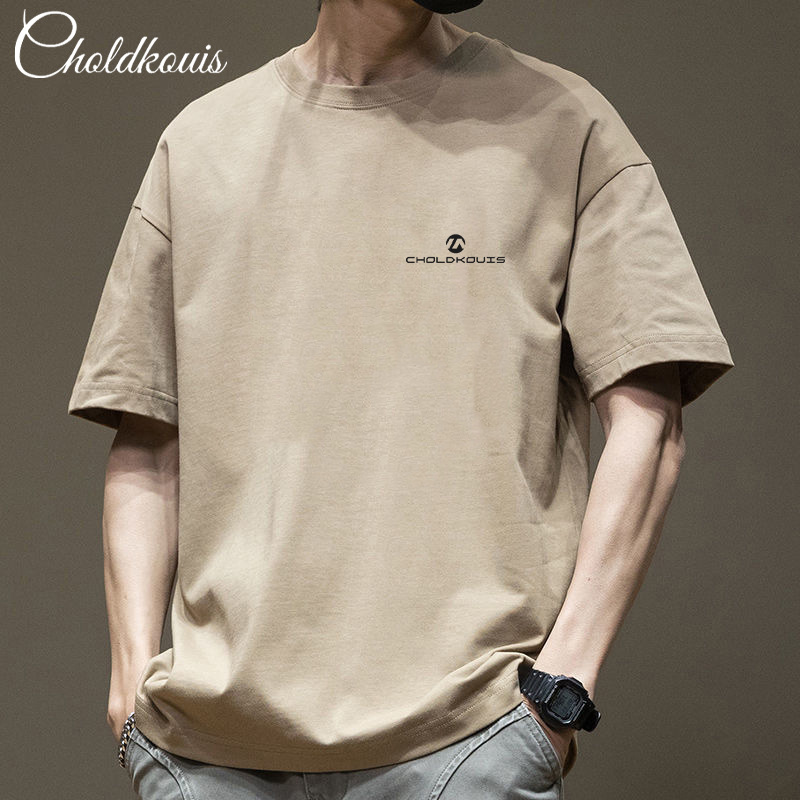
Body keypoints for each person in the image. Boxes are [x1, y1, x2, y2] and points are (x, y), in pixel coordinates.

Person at [67, 1, 735, 798]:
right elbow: (148, 437)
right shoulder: (200, 145)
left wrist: (562, 685)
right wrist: (131, 686)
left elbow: (649, 418)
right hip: (207, 756)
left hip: (463, 747)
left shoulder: (563, 125)